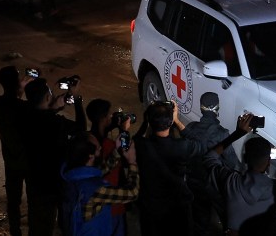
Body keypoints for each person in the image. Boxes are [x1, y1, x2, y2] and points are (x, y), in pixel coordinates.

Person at [204, 114, 276, 236]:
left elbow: (209, 158)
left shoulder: (230, 181)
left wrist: (237, 134)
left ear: (245, 159)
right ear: (268, 163)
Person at [23, 76, 86, 236]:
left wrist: (54, 107)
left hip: (33, 180)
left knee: (36, 223)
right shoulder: (55, 123)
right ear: (47, 98)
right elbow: (81, 128)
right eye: (50, 93)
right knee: (51, 223)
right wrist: (77, 99)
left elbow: (41, 116)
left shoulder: (26, 116)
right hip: (52, 182)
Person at [133, 100, 207, 236]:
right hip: (178, 206)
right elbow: (200, 144)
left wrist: (145, 122)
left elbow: (134, 140)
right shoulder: (182, 146)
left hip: (152, 208)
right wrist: (177, 121)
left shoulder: (141, 146)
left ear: (149, 121)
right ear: (170, 121)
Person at [61, 132, 139, 236]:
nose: (101, 148)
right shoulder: (96, 190)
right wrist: (132, 162)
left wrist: (117, 151)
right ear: (91, 156)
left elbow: (99, 171)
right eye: (98, 148)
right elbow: (132, 193)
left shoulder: (70, 176)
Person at [185, 92, 242, 235]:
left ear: (201, 108)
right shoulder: (221, 133)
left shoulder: (191, 127)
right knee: (227, 218)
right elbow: (232, 162)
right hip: (215, 185)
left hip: (194, 182)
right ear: (217, 108)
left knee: (200, 219)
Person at [0, 66, 32, 236]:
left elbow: (8, 102)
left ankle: (15, 231)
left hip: (11, 159)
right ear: (17, 82)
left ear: (0, 82)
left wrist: (18, 89)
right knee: (33, 197)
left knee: (13, 200)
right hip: (29, 159)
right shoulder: (25, 107)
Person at [86, 99, 132, 236]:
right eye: (109, 115)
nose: (111, 117)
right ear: (103, 118)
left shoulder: (87, 140)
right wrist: (124, 131)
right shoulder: (108, 145)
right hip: (113, 207)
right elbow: (125, 153)